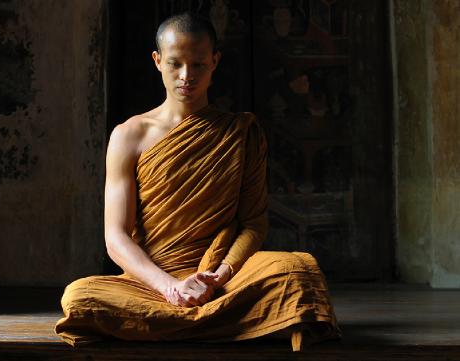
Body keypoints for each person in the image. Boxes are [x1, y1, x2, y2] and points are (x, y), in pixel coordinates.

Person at [54, 11, 340, 352]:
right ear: (157, 61)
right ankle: (233, 323)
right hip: (152, 281)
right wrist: (170, 287)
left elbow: (253, 224)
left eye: (199, 65)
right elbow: (115, 236)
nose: (186, 76)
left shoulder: (239, 132)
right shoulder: (130, 135)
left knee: (300, 272)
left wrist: (221, 273)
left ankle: (175, 323)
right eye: (175, 64)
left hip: (222, 278)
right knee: (80, 296)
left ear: (215, 61)